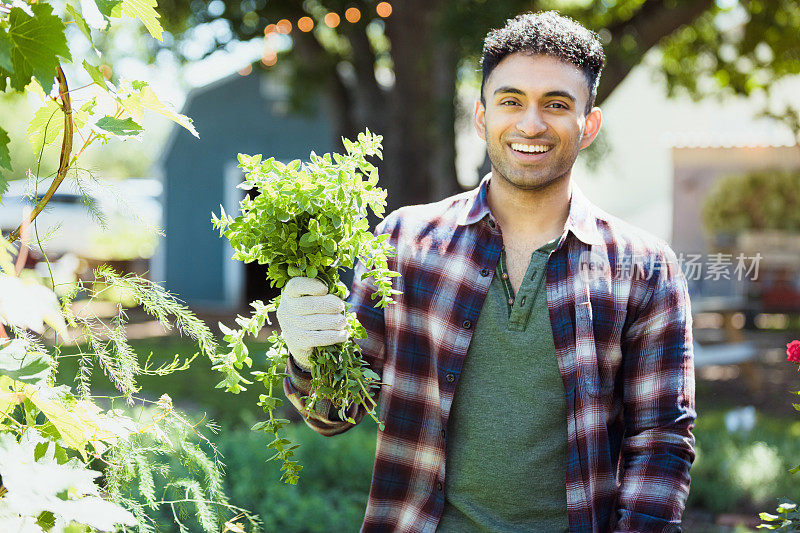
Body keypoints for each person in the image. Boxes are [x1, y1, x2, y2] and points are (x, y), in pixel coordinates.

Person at [276, 10, 696, 533]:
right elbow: (331, 414)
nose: (531, 123)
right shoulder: (405, 242)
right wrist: (307, 349)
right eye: (511, 100)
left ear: (588, 125)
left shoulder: (645, 268)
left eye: (557, 105)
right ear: (481, 117)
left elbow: (661, 440)